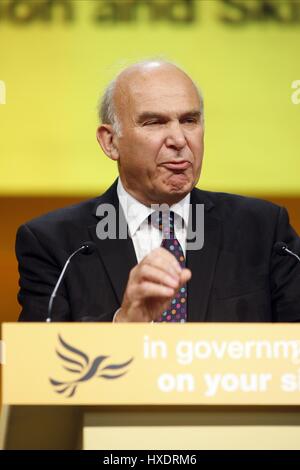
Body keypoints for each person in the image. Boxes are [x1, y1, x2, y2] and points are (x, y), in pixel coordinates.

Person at [16, 60, 300, 322]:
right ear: (111, 142)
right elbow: (41, 363)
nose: (179, 139)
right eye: (154, 122)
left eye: (190, 120)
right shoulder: (56, 245)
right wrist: (125, 323)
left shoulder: (263, 231)